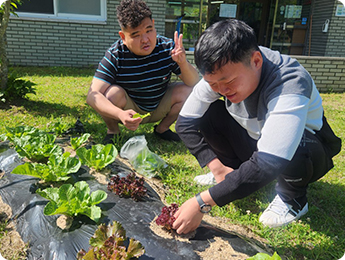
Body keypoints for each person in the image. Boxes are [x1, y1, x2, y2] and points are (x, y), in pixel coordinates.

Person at [173, 19, 341, 233]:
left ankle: (293, 199)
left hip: (308, 152)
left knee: (293, 139)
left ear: (256, 60)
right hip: (258, 141)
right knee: (207, 113)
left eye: (228, 82)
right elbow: (185, 123)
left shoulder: (289, 80)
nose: (222, 89)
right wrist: (216, 167)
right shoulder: (221, 70)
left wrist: (202, 202)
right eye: (213, 84)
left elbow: (269, 162)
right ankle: (229, 170)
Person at [86, 0, 199, 144]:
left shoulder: (167, 48)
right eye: (136, 35)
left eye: (149, 30)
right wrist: (120, 114)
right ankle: (113, 131)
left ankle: (162, 129)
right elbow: (92, 96)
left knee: (189, 91)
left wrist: (182, 63)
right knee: (112, 93)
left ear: (153, 24)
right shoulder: (116, 54)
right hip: (130, 107)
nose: (145, 40)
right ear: (123, 36)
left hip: (159, 104)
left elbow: (194, 83)